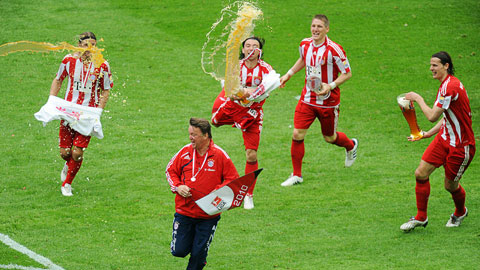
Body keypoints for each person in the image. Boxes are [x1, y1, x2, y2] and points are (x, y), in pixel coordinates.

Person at [400, 51, 476, 232]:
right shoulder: (447, 85)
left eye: (434, 65)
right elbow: (447, 117)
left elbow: (433, 116)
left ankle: (460, 212)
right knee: (421, 173)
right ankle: (421, 217)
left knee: (450, 186)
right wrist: (428, 135)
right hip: (444, 139)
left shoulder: (449, 87)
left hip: (460, 146)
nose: (431, 68)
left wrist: (417, 98)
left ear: (446, 66)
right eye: (430, 65)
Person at [279, 14, 358, 187]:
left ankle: (351, 145)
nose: (315, 29)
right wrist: (288, 74)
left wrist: (330, 85)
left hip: (328, 101)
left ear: (327, 29)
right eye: (313, 26)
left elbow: (347, 73)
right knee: (297, 134)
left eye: (319, 27)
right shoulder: (304, 44)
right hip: (307, 98)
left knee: (329, 137)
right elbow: (303, 59)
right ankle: (297, 175)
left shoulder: (334, 50)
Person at [211, 36, 280, 209]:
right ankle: (234, 123)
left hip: (252, 113)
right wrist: (241, 92)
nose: (251, 48)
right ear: (243, 50)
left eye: (254, 46)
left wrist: (248, 92)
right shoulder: (236, 67)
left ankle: (248, 194)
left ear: (260, 51)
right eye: (247, 46)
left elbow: (267, 90)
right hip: (233, 107)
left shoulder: (267, 70)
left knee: (251, 155)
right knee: (214, 122)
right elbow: (229, 89)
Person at [166, 118, 239, 270]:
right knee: (178, 251)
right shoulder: (184, 152)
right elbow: (170, 171)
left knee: (198, 254)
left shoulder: (219, 155)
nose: (190, 137)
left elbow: (233, 179)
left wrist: (219, 190)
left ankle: (199, 257)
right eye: (190, 134)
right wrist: (178, 187)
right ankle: (197, 249)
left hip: (208, 214)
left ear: (206, 136)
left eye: (194, 135)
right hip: (185, 211)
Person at [49, 32, 113, 196]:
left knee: (77, 152)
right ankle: (68, 164)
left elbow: (106, 90)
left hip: (87, 115)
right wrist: (52, 100)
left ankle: (67, 184)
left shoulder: (102, 65)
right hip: (68, 111)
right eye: (86, 45)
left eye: (93, 45)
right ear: (79, 45)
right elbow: (58, 79)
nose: (89, 49)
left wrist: (98, 111)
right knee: (65, 153)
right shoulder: (68, 61)